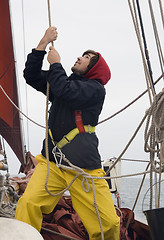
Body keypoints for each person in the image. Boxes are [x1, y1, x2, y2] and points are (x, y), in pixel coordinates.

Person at [15, 27, 120, 239]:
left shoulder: (95, 89)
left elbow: (65, 91)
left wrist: (56, 64)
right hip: (52, 163)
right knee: (28, 203)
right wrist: (43, 43)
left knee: (107, 224)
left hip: (83, 169)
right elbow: (31, 75)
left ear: (94, 69)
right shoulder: (63, 82)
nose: (80, 57)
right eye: (82, 54)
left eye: (87, 57)